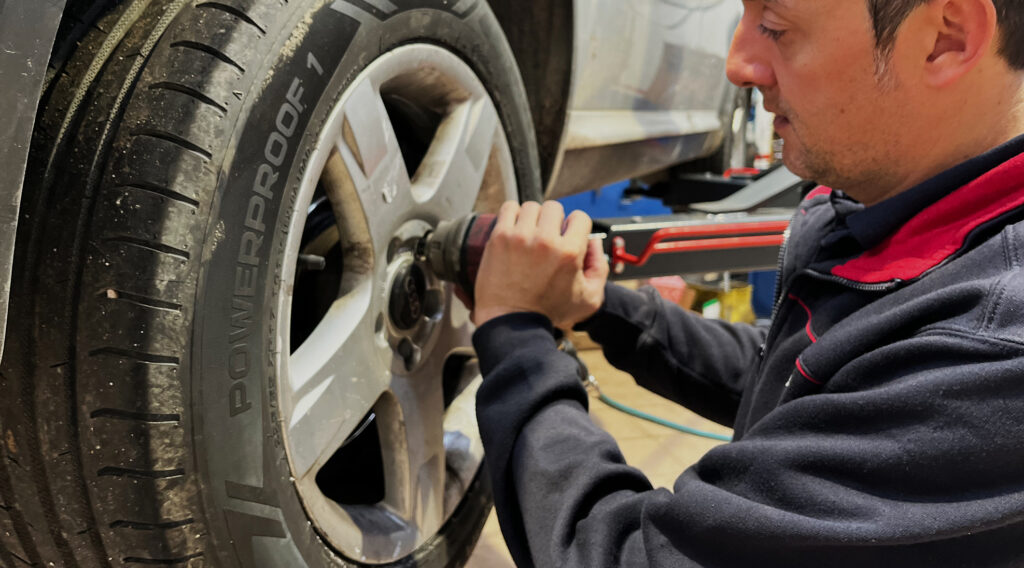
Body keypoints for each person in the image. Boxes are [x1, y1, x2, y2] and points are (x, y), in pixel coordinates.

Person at [468, 0, 1024, 565]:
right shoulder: (902, 216)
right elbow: (796, 373)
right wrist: (603, 310)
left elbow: (628, 556)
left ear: (946, 37)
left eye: (776, 28)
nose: (736, 64)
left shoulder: (994, 352)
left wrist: (515, 333)